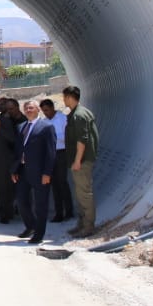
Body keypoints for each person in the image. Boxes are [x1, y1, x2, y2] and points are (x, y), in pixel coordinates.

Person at [12, 100, 58, 244]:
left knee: (40, 204)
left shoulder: (46, 127)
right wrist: (14, 169)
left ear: (38, 109)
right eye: (26, 108)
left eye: (31, 107)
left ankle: (39, 234)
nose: (28, 110)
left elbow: (51, 152)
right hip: (23, 170)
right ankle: (30, 226)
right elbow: (18, 151)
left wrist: (47, 173)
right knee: (22, 201)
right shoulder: (21, 127)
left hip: (40, 172)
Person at [62, 85, 100, 237]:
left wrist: (77, 161)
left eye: (64, 97)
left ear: (70, 97)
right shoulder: (75, 113)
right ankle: (82, 223)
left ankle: (88, 226)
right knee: (79, 193)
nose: (63, 100)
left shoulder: (79, 115)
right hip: (78, 160)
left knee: (84, 193)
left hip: (82, 161)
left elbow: (82, 140)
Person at [40, 98, 73, 224]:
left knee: (62, 182)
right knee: (54, 184)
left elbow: (67, 137)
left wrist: (53, 138)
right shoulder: (44, 122)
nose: (46, 113)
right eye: (43, 111)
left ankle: (68, 211)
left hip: (61, 152)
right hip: (49, 154)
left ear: (53, 108)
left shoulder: (62, 119)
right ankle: (59, 212)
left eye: (47, 110)